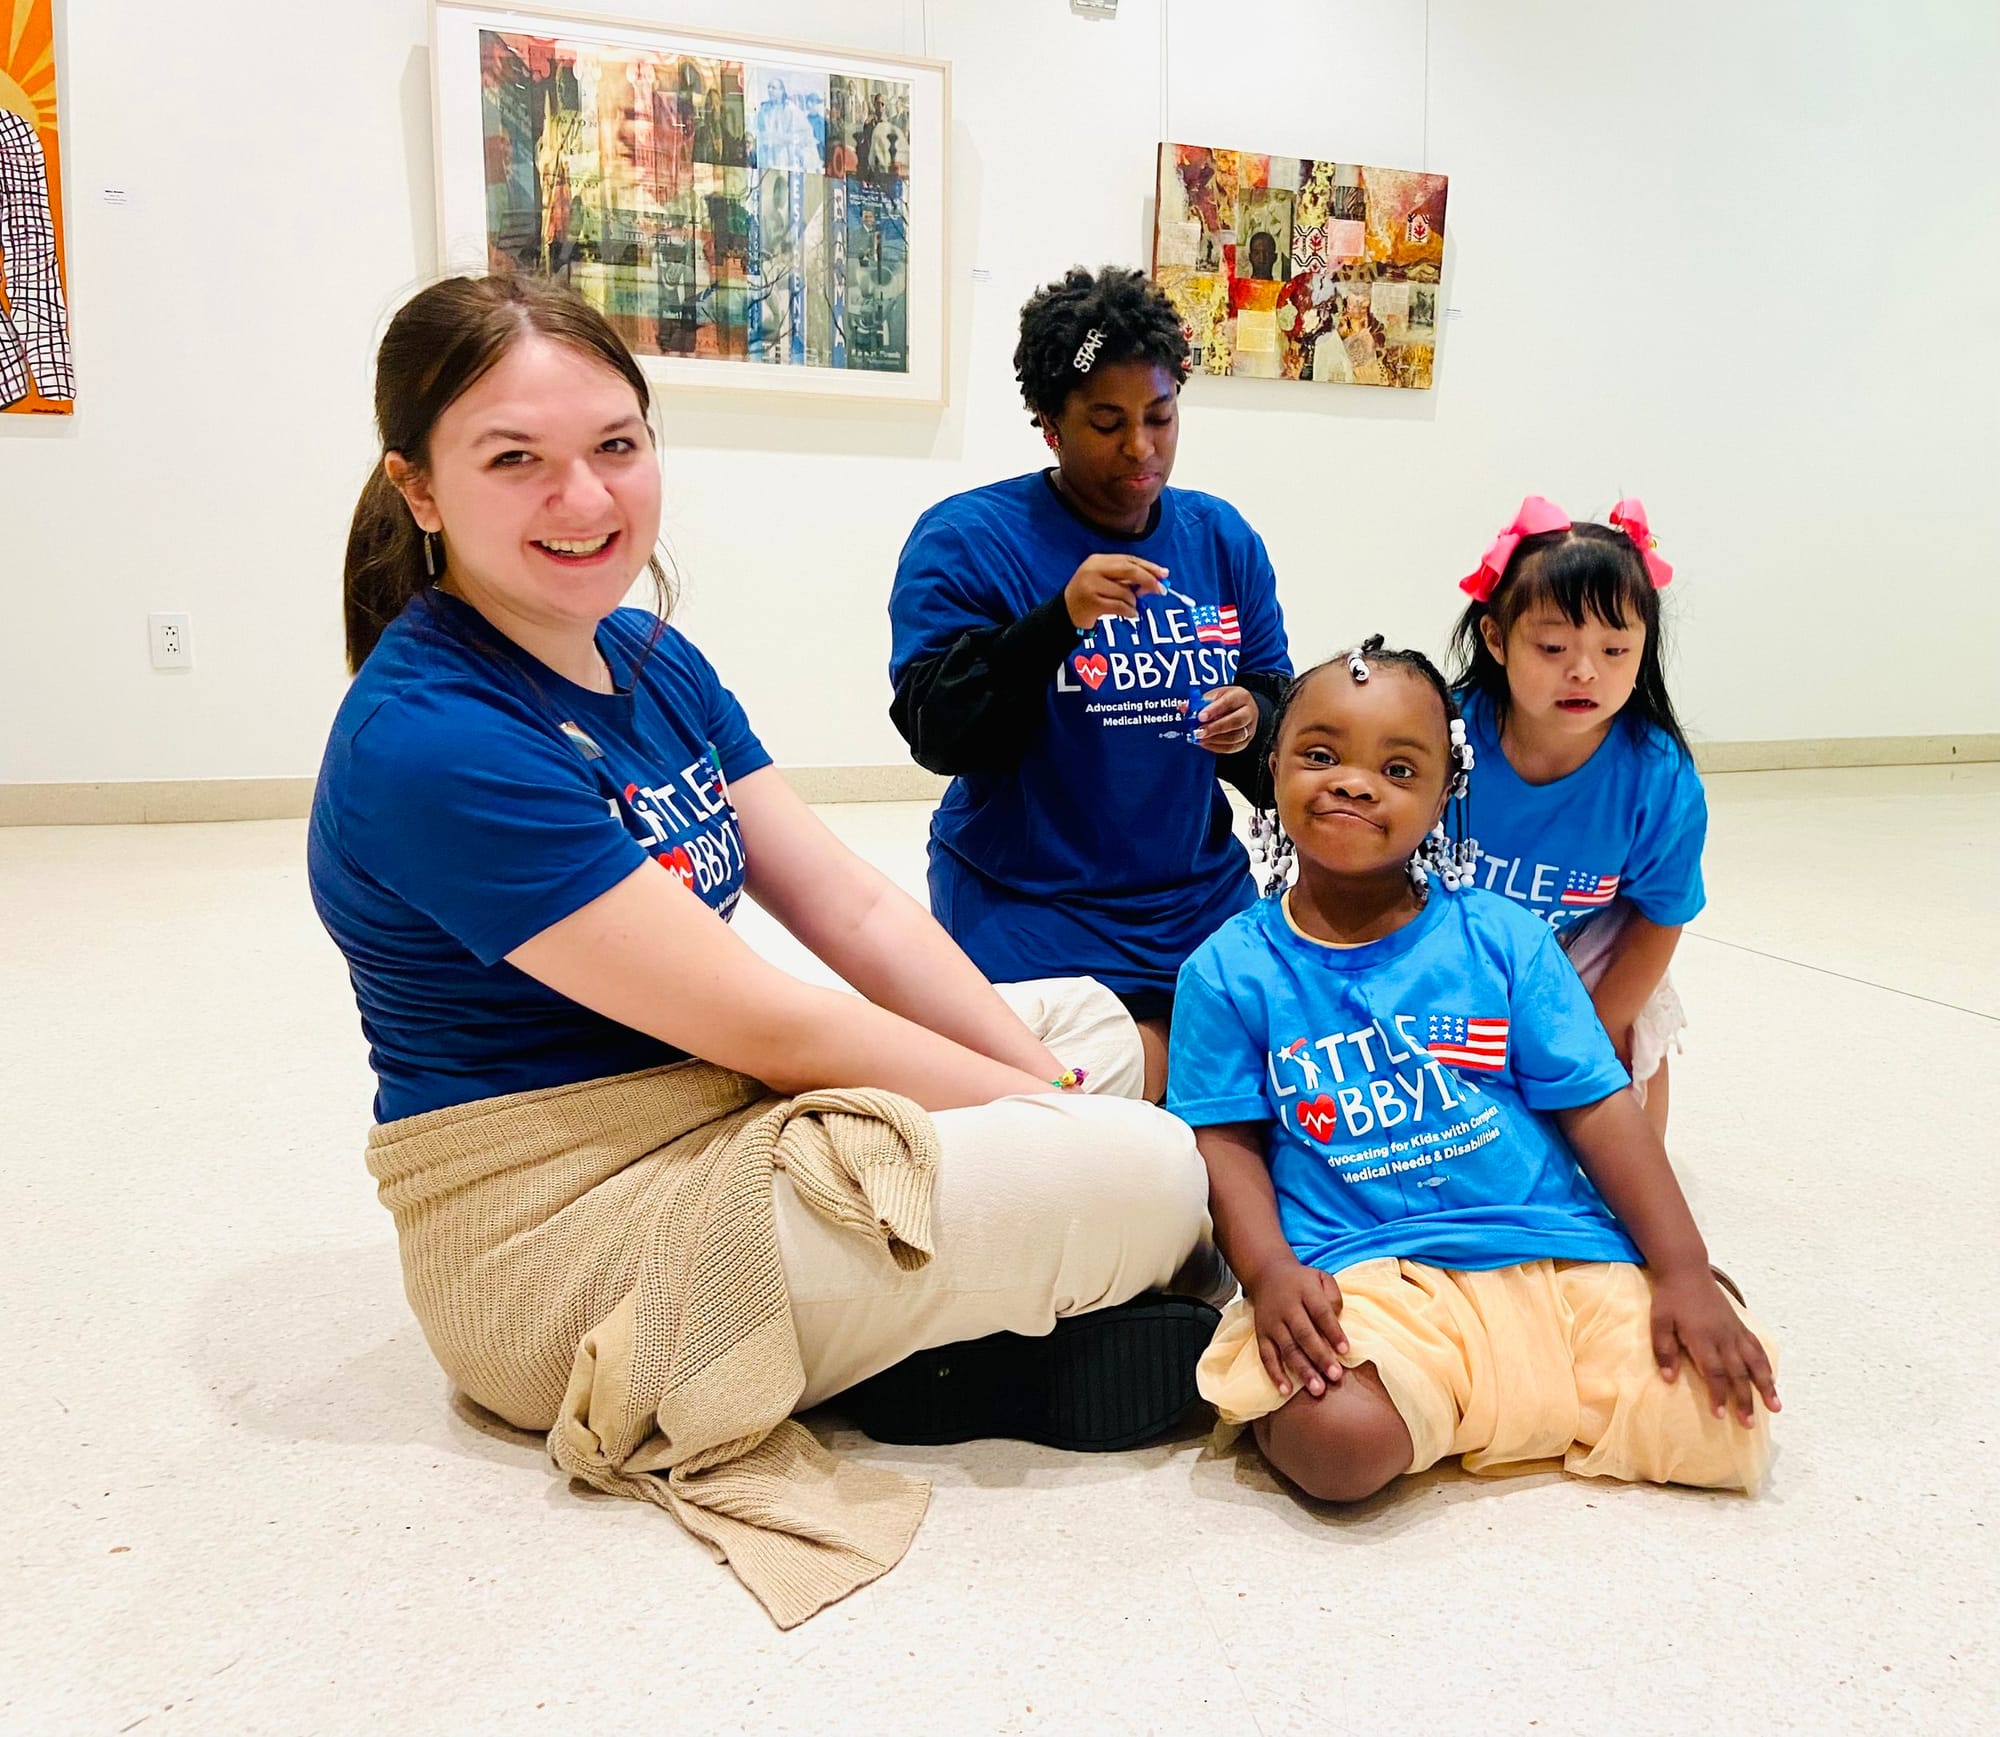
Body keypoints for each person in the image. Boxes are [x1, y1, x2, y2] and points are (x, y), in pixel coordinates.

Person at [309, 274, 1224, 1617]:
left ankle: (935, 1309)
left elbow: (850, 909)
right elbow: (773, 1025)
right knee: (1149, 1166)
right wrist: (1063, 1120)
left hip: (705, 1108)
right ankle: (929, 1346)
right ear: (421, 486)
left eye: (617, 447)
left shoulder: (647, 657)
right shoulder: (433, 738)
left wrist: (1045, 1082)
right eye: (516, 461)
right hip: (566, 1228)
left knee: (1082, 1017)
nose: (586, 500)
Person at [1167, 639, 1779, 1504]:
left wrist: (1679, 1264)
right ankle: (1454, 1402)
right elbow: (1224, 1141)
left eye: (1398, 766)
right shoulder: (1227, 970)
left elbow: (1601, 1108)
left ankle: (1472, 1405)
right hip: (1367, 1271)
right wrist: (1268, 1276)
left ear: (1445, 795)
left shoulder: (1504, 937)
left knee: (1725, 1412)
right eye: (1319, 754)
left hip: (1543, 1249)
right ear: (1271, 770)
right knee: (1338, 1444)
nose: (1352, 781)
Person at [888, 266, 1293, 1099]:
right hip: (1029, 907)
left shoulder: (1221, 538)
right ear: (1049, 426)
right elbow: (940, 731)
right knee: (1065, 1124)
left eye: (1159, 416)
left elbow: (1278, 708)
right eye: (1106, 422)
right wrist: (1055, 623)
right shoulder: (969, 539)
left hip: (1192, 900)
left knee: (1250, 1100)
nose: (1140, 448)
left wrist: (1254, 716)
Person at [1448, 496, 1703, 1139]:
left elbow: (1659, 914)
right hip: (1449, 943)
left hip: (1582, 945)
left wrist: (1597, 1027)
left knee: (1628, 1055)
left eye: (1616, 650)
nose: (1585, 670)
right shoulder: (1442, 735)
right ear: (1497, 639)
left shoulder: (1656, 774)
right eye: (1555, 645)